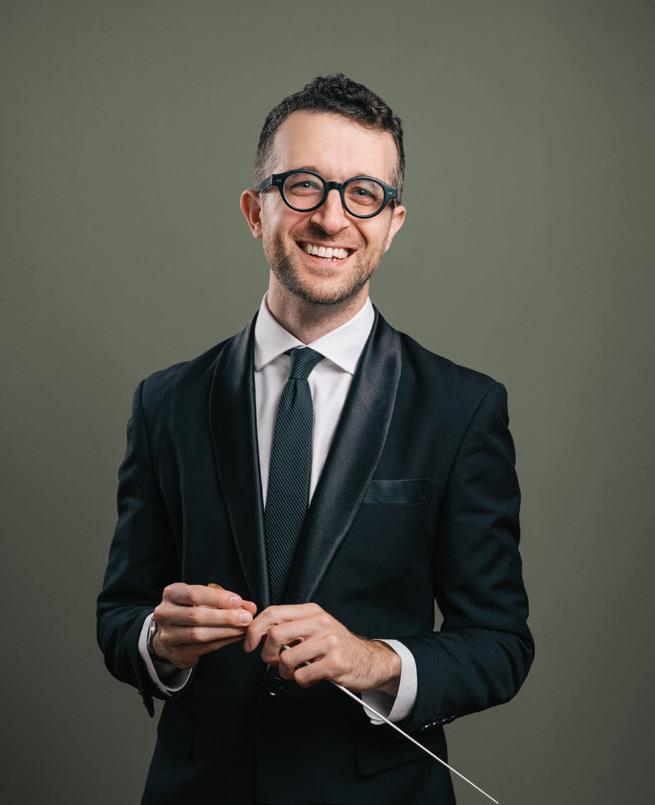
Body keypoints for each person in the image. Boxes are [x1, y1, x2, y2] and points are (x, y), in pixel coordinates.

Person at [96, 73, 534, 805]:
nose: (332, 218)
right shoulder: (166, 402)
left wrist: (372, 660)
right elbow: (120, 615)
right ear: (254, 209)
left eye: (364, 193)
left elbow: (500, 644)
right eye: (303, 186)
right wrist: (158, 643)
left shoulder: (462, 408)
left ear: (392, 222)